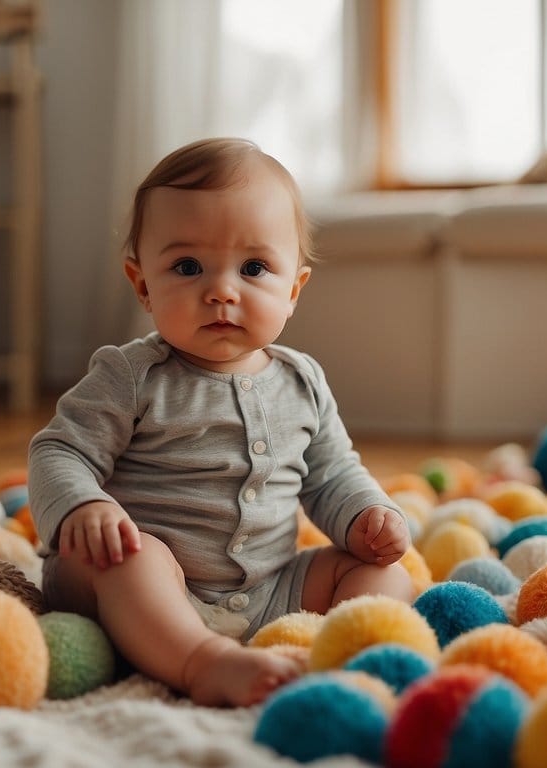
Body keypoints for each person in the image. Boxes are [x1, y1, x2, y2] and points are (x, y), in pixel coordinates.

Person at [29, 138, 414, 707]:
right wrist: (85, 508)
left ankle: (343, 658)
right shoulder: (131, 374)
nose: (221, 291)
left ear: (293, 290)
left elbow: (333, 475)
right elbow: (58, 452)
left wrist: (366, 515)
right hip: (139, 581)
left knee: (383, 577)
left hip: (269, 588)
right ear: (142, 285)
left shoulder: (303, 382)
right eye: (188, 267)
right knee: (137, 558)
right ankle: (201, 662)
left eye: (254, 268)